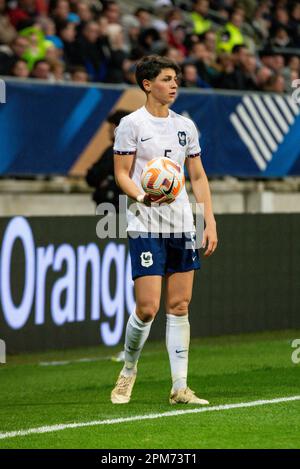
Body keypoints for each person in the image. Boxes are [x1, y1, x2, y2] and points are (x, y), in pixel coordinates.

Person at [111, 55, 218, 405]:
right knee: (147, 307)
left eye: (176, 79)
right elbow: (122, 174)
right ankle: (128, 369)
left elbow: (198, 177)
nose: (174, 84)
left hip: (182, 223)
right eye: (167, 79)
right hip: (145, 224)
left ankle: (179, 387)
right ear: (147, 84)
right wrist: (143, 195)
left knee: (180, 304)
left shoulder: (185, 126)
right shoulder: (131, 124)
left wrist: (209, 220)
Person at [85, 109, 129, 210]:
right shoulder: (140, 150)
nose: (108, 130)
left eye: (111, 126)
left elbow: (93, 176)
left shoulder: (114, 151)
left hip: (111, 207)